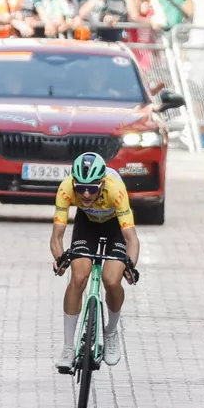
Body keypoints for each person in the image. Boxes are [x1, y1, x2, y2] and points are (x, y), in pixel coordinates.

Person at [50, 152, 140, 372]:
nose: (86, 194)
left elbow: (131, 238)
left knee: (112, 280)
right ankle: (68, 347)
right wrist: (60, 258)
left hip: (114, 226)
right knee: (78, 277)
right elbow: (57, 236)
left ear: (102, 183)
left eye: (92, 188)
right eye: (80, 188)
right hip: (87, 224)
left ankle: (111, 331)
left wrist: (131, 265)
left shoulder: (116, 189)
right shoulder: (65, 188)